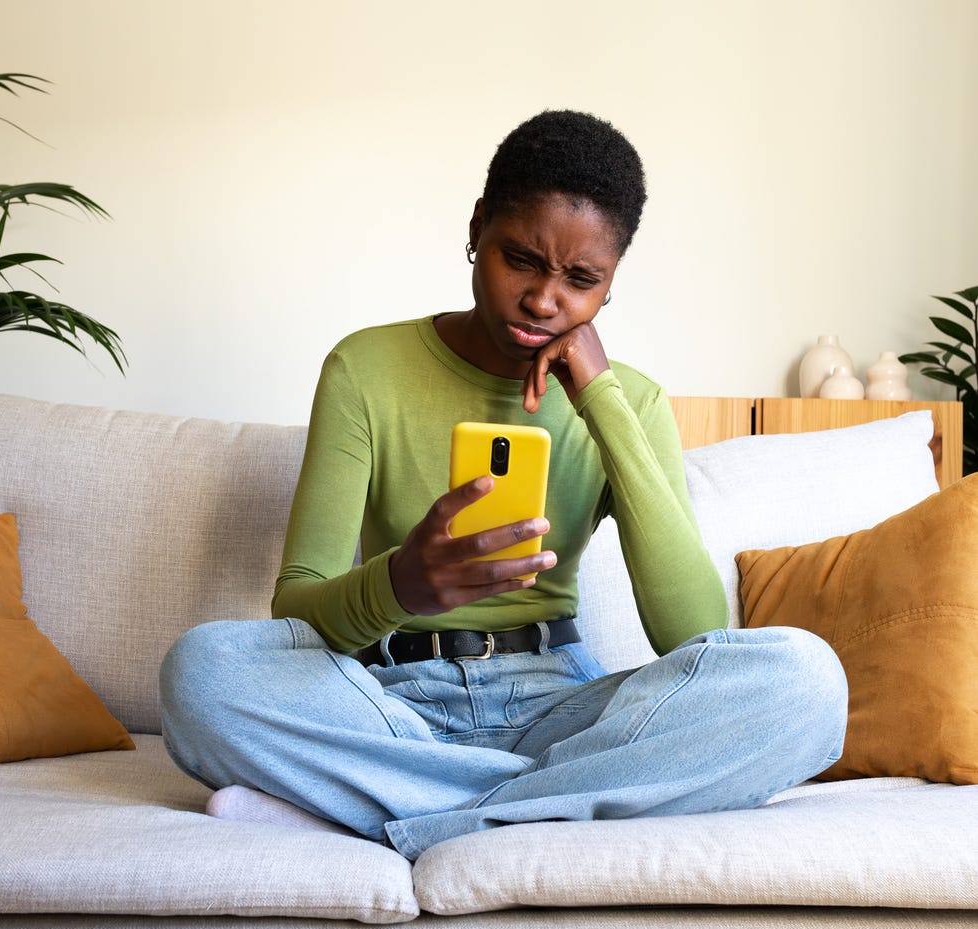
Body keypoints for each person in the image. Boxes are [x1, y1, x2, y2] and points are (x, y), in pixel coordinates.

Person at [160, 109, 847, 861]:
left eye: (582, 279)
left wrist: (601, 400)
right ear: (478, 227)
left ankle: (395, 813)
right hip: (390, 702)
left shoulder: (631, 400)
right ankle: (545, 802)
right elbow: (295, 602)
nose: (545, 299)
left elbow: (693, 634)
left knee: (807, 681)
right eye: (520, 259)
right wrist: (400, 586)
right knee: (202, 672)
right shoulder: (365, 368)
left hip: (561, 703)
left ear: (610, 286)